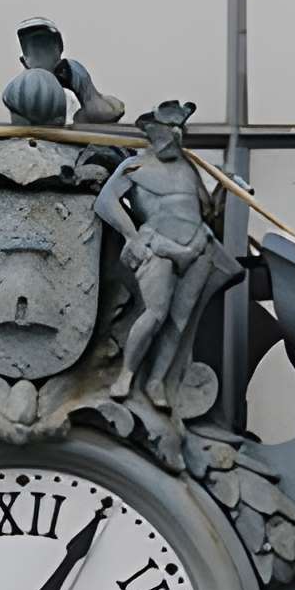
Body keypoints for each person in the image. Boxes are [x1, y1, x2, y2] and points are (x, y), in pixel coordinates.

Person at [96, 99, 221, 404]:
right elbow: (105, 203)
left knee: (178, 322)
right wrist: (132, 236)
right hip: (158, 246)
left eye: (180, 127)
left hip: (197, 247)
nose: (176, 134)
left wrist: (226, 190)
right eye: (169, 127)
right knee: (154, 314)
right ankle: (127, 374)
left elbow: (207, 211)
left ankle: (156, 381)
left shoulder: (190, 169)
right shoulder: (135, 166)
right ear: (153, 131)